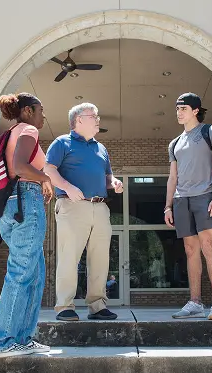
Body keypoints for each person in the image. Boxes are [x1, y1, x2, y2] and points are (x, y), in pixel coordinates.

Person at [44, 102, 124, 321]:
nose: (98, 119)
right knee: (69, 256)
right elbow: (48, 169)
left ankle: (97, 306)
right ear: (79, 120)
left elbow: (107, 177)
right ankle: (65, 306)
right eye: (93, 116)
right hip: (72, 206)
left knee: (100, 258)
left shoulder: (101, 148)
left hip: (100, 207)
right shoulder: (62, 142)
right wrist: (68, 187)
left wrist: (114, 182)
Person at [0, 92, 54, 358]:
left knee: (35, 275)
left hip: (9, 205)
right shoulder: (27, 129)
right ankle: (3, 342)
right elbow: (20, 166)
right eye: (40, 110)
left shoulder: (10, 132)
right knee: (20, 273)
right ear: (27, 111)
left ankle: (23, 338)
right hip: (26, 201)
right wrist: (45, 178)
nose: (43, 116)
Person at [165, 92, 212, 320]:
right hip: (182, 200)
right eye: (177, 109)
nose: (179, 112)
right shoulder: (175, 142)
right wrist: (168, 206)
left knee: (208, 246)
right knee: (190, 251)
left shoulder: (211, 131)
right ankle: (195, 302)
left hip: (205, 196)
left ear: (195, 110)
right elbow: (172, 178)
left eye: (183, 108)